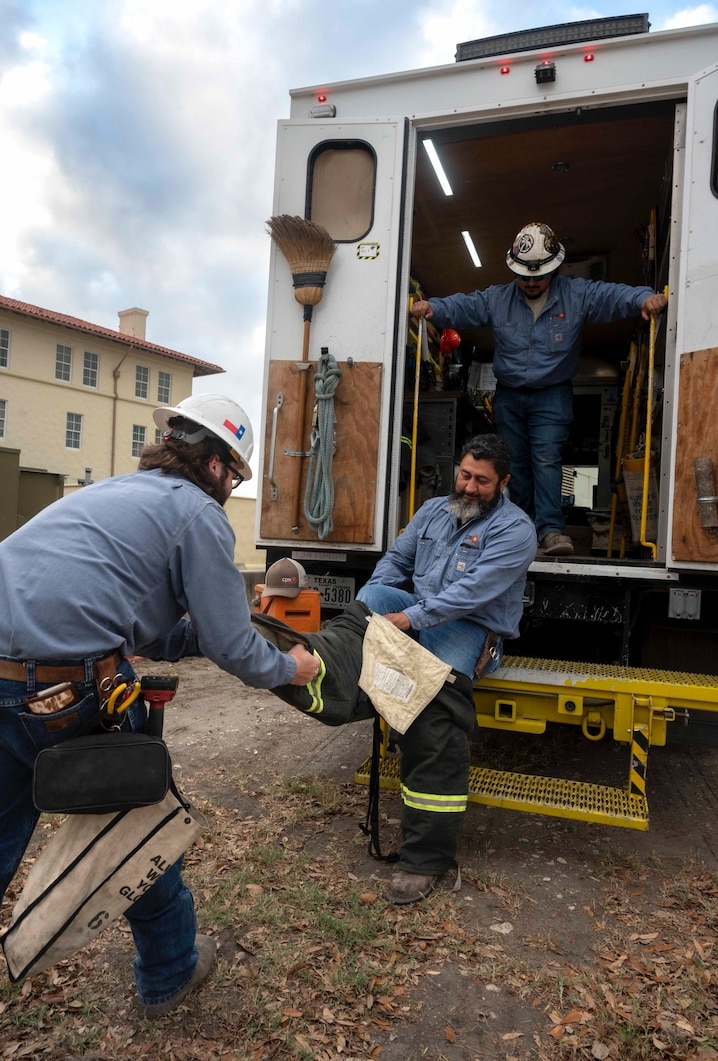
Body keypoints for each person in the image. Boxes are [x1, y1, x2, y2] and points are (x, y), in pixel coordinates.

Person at [0, 392, 319, 1017]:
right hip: (69, 690)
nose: (229, 487)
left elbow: (144, 626)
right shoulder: (198, 513)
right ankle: (170, 971)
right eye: (234, 476)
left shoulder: (111, 494)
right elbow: (235, 648)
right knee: (138, 825)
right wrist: (291, 666)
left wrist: (205, 631)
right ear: (218, 465)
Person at [411, 222, 668, 557]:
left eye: (539, 276)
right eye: (524, 276)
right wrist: (434, 308)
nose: (531, 283)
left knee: (547, 460)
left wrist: (643, 298)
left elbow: (611, 295)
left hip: (552, 392)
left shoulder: (576, 294)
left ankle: (549, 531)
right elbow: (466, 305)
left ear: (554, 269)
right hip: (509, 393)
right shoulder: (498, 298)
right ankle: (520, 529)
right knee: (514, 465)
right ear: (514, 270)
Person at [356, 434, 537, 904]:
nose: (470, 487)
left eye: (482, 481)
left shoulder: (516, 531)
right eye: (465, 475)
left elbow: (469, 594)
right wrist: (375, 609)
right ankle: (334, 684)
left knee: (433, 712)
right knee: (365, 601)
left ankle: (425, 858)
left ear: (503, 483)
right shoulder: (433, 509)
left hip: (470, 628)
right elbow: (397, 560)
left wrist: (403, 620)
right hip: (419, 614)